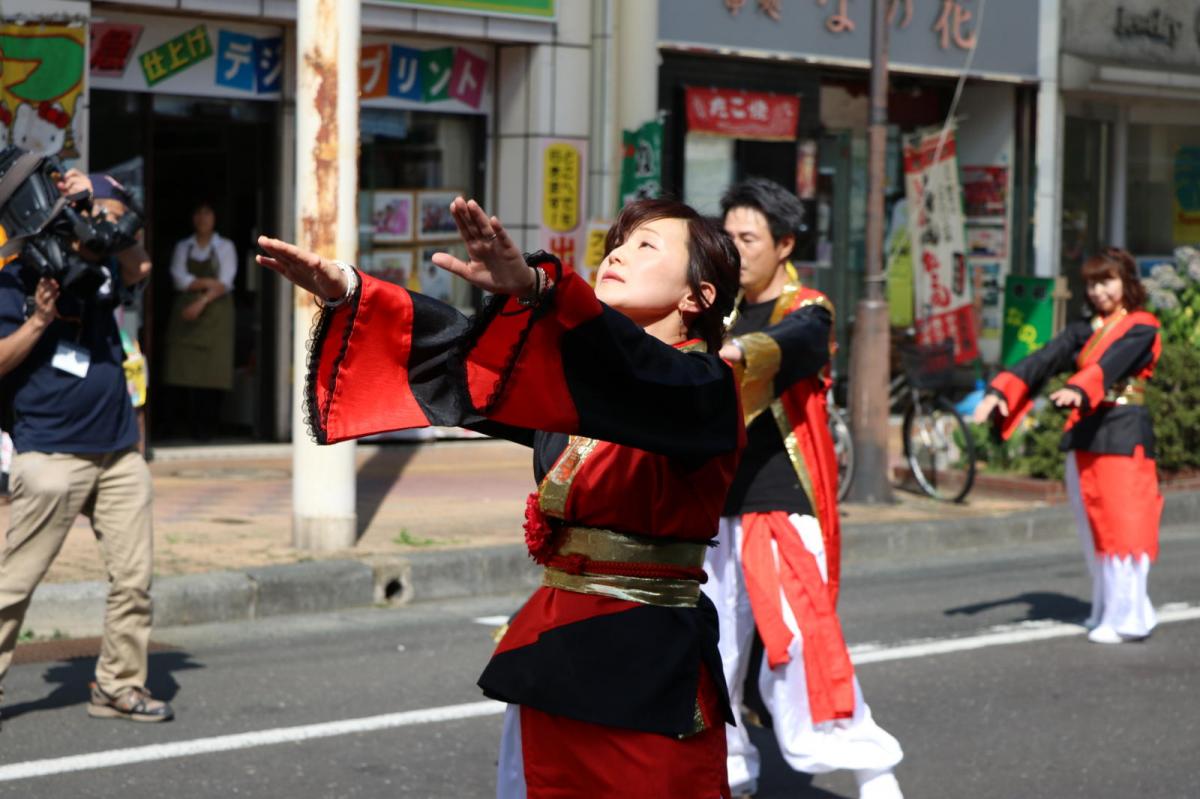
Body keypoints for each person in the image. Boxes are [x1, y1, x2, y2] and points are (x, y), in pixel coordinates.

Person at [258, 197, 743, 798]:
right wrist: (354, 295)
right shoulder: (583, 388)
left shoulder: (704, 387)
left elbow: (641, 374)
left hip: (648, 666)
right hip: (557, 648)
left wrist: (542, 290)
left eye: (646, 246)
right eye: (617, 241)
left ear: (697, 297)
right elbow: (469, 365)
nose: (617, 252)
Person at [708, 178, 903, 799]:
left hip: (780, 506)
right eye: (728, 237)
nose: (734, 251)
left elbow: (797, 346)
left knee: (798, 644)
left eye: (747, 239)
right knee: (711, 652)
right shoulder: (715, 310)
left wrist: (737, 352)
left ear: (784, 244)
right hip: (715, 511)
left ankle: (871, 766)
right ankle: (729, 769)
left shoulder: (809, 308)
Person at [0, 167, 172, 728]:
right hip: (49, 454)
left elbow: (140, 264)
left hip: (119, 451)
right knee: (13, 583)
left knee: (133, 580)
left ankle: (119, 686)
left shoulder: (100, 267)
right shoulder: (14, 280)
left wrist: (94, 212)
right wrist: (39, 321)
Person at [974, 246, 1162, 645]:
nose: (1097, 291)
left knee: (1124, 529)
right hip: (1086, 435)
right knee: (1094, 529)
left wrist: (1082, 385)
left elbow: (1116, 360)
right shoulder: (1082, 329)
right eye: (1091, 283)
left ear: (1126, 281)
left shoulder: (1143, 326)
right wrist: (1002, 390)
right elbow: (1043, 358)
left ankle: (1131, 614)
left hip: (1124, 434)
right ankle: (1108, 609)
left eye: (1105, 281)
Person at [163, 200, 236, 440]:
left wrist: (201, 301)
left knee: (213, 373)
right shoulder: (183, 246)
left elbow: (225, 282)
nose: (203, 218)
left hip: (215, 314)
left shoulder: (225, 246)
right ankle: (182, 426)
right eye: (199, 212)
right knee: (181, 371)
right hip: (186, 315)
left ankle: (209, 428)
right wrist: (206, 283)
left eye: (208, 212)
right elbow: (179, 279)